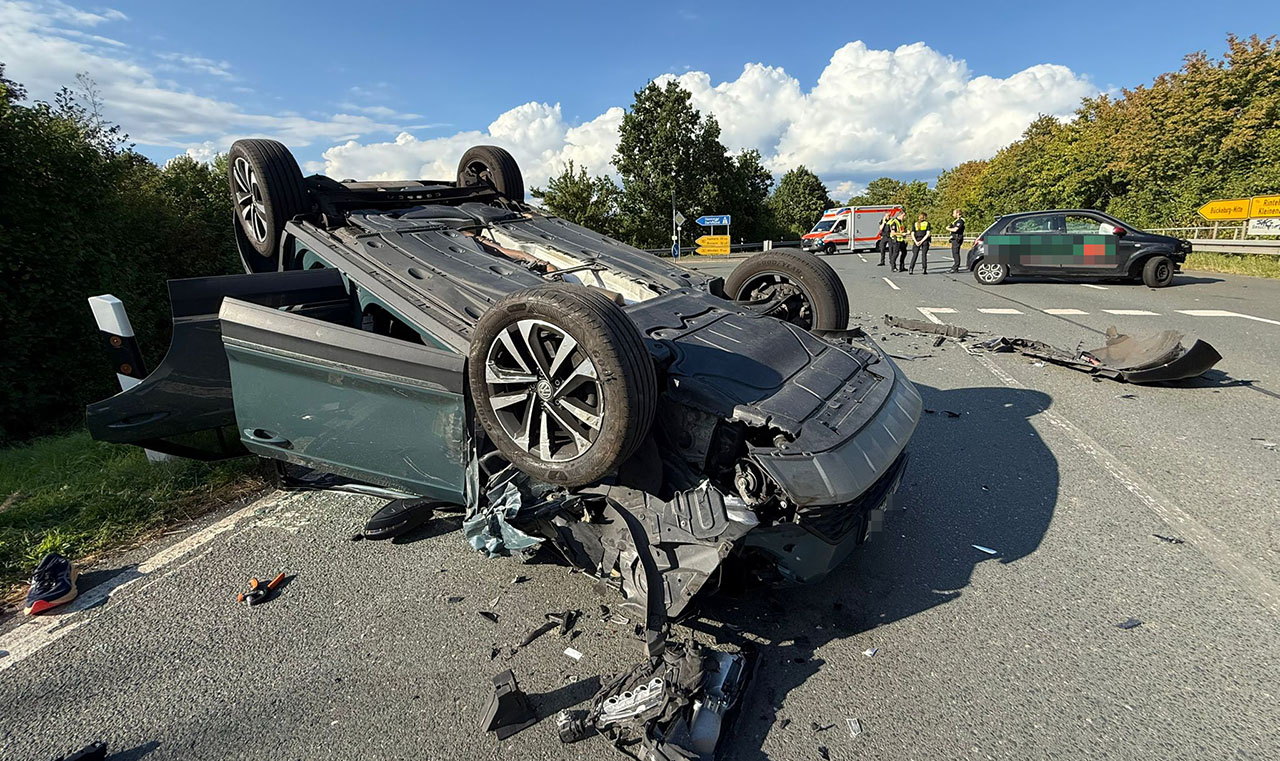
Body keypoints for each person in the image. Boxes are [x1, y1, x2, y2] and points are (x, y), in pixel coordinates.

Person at [946, 208, 965, 273]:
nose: (952, 214)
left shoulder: (960, 221)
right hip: (954, 238)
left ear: (958, 213)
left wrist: (948, 229)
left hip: (957, 238)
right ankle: (955, 267)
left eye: (954, 213)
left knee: (956, 253)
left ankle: (955, 267)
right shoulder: (956, 221)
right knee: (954, 253)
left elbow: (955, 229)